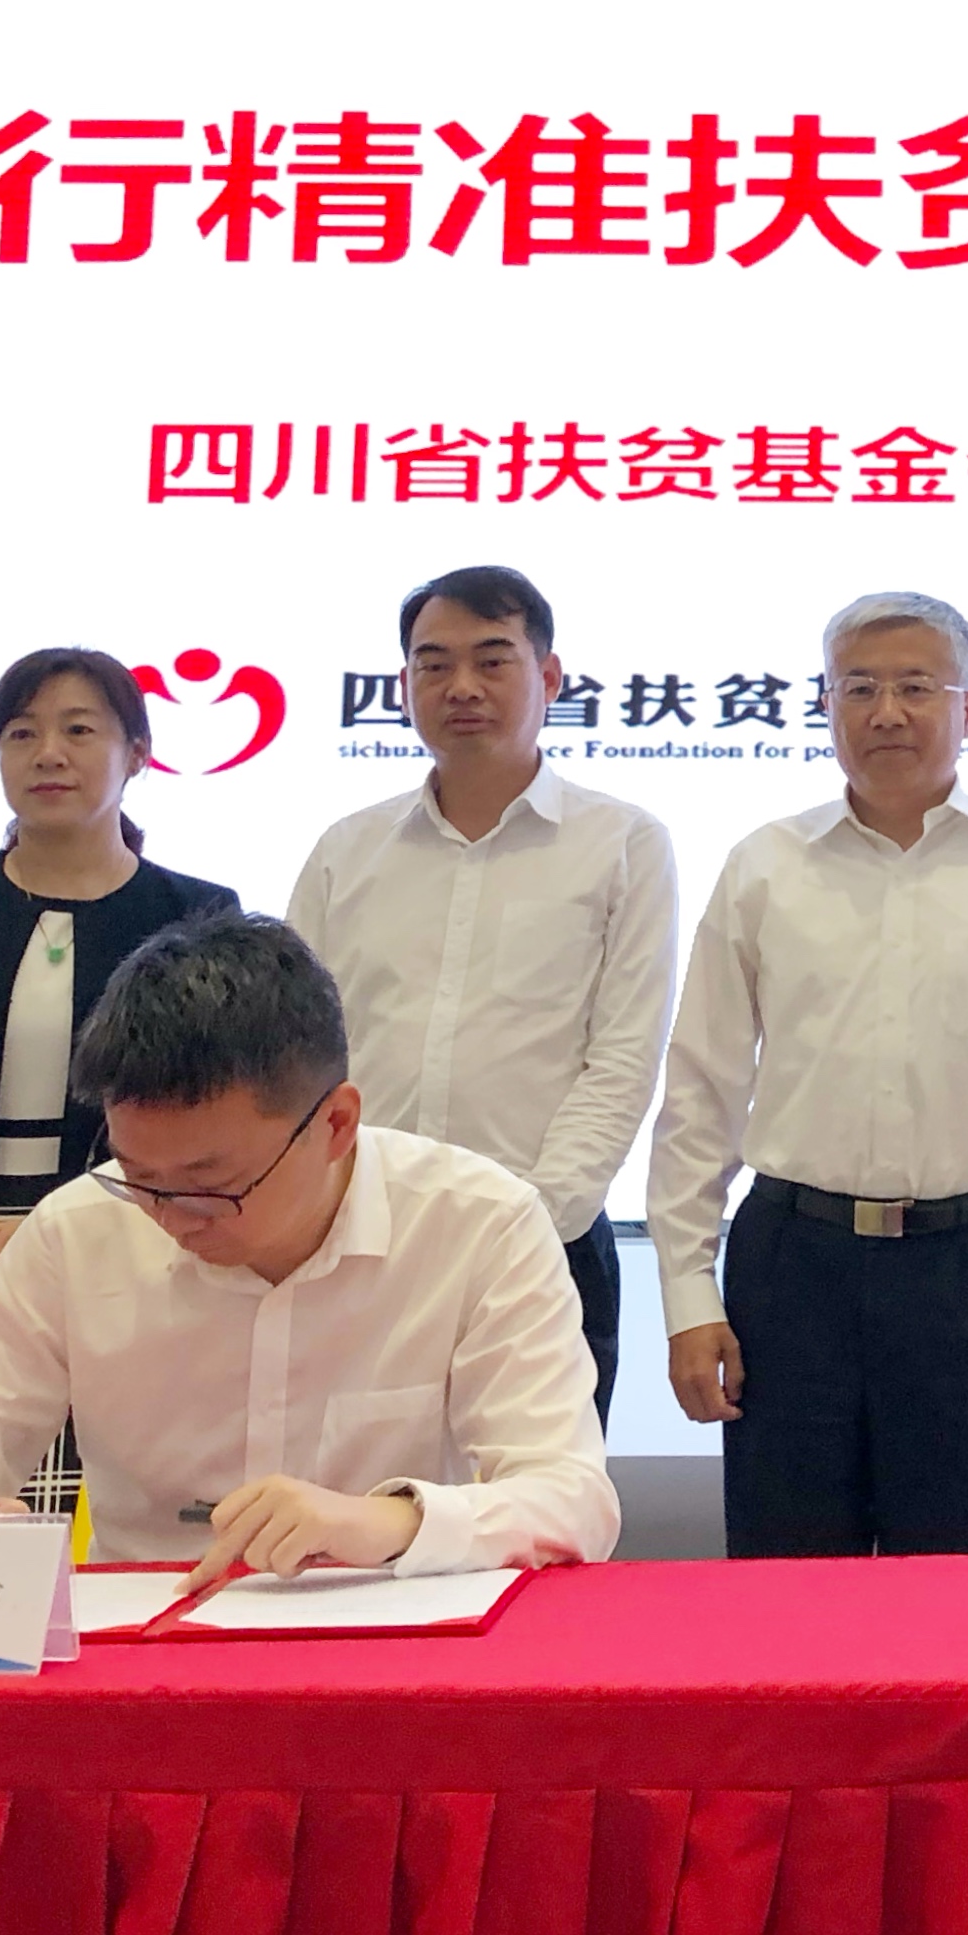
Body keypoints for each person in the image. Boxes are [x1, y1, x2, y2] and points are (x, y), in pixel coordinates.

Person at [0, 910, 619, 1580]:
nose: (170, 1217)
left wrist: (388, 1520)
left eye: (209, 1184)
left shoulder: (477, 1222)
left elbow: (572, 1494)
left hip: (385, 1636)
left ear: (336, 1124)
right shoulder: (74, 1232)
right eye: (138, 1177)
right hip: (144, 1646)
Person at [648, 592, 968, 1557]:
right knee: (783, 1587)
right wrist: (689, 1299)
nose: (887, 712)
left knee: (946, 1590)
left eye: (916, 687)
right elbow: (699, 1091)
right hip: (792, 1267)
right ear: (824, 705)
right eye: (858, 688)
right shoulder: (765, 864)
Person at [287, 565, 677, 1429]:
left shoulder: (622, 843)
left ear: (550, 676)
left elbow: (622, 1058)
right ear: (403, 686)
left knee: (533, 1496)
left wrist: (529, 1220)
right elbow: (293, 1051)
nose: (461, 686)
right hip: (355, 1239)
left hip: (544, 1245)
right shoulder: (346, 850)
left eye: (492, 660)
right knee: (345, 1494)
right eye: (434, 664)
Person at [0, 649, 235, 1512]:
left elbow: (200, 1105)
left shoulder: (195, 913)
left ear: (137, 753)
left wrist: (55, 1235)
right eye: (21, 733)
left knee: (113, 1518)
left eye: (79, 730)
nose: (48, 753)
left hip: (125, 1254)